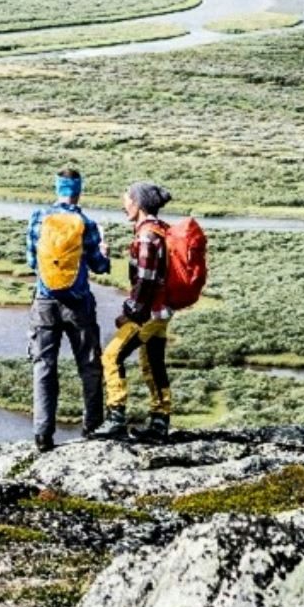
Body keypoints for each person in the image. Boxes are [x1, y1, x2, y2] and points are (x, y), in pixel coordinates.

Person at [26, 164, 109, 453]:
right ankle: (93, 427)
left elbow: (31, 262)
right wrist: (104, 253)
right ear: (78, 191)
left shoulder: (38, 217)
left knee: (44, 366)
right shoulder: (86, 223)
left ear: (56, 188)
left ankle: (42, 434)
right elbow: (100, 266)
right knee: (89, 366)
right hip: (79, 303)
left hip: (44, 302)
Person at [96, 182, 181, 442]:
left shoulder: (146, 235)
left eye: (127, 200)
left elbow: (145, 280)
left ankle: (116, 418)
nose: (124, 206)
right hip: (162, 311)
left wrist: (129, 312)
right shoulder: (162, 229)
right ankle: (159, 421)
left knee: (111, 357)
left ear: (138, 203)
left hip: (148, 313)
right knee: (153, 362)